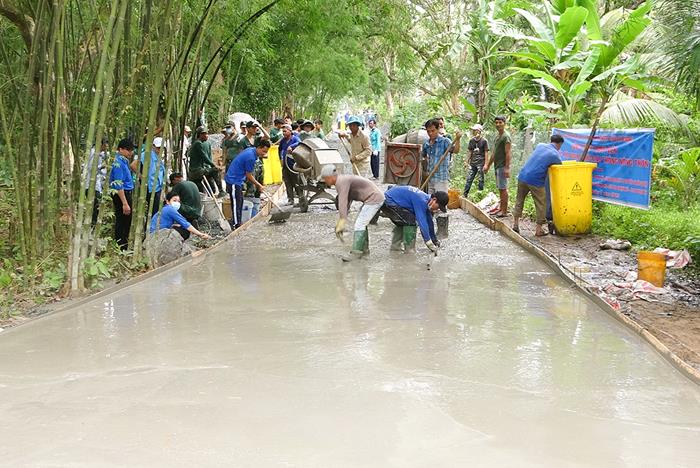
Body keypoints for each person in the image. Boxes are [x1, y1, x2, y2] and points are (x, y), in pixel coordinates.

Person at [319, 165, 385, 262]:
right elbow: (348, 200)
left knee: (360, 224)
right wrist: (343, 218)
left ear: (330, 177)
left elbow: (342, 201)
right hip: (371, 198)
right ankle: (364, 251)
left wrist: (341, 221)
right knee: (362, 223)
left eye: (325, 179)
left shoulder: (341, 182)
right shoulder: (343, 180)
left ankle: (356, 253)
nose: (324, 181)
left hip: (374, 198)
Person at [512, 134, 564, 236]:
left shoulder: (540, 145)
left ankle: (515, 224)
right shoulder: (555, 155)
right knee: (541, 204)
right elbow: (560, 168)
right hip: (535, 180)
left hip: (522, 176)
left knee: (519, 200)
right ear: (559, 144)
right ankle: (539, 229)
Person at [382, 185, 447, 254]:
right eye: (438, 207)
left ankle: (395, 248)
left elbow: (429, 222)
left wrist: (434, 240)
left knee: (403, 221)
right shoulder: (421, 200)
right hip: (389, 201)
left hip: (392, 199)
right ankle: (409, 251)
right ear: (434, 200)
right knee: (411, 222)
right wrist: (428, 242)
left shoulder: (426, 200)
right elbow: (422, 222)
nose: (438, 209)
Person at [224, 140, 269, 229]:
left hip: (238, 180)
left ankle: (237, 221)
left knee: (239, 201)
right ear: (259, 147)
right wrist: (259, 185)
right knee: (236, 203)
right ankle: (236, 225)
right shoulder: (251, 157)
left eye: (266, 152)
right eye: (263, 151)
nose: (264, 154)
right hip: (234, 180)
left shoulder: (251, 150)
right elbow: (249, 175)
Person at [131, 136, 166, 219]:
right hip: (151, 187)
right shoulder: (147, 154)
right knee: (153, 211)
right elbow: (133, 165)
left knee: (157, 210)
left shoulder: (159, 156)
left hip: (158, 187)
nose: (160, 149)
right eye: (158, 147)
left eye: (162, 148)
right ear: (153, 146)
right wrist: (142, 177)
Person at [484, 115, 511, 217]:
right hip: (497, 165)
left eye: (500, 122)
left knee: (503, 189)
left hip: (502, 166)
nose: (498, 124)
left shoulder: (506, 136)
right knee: (500, 188)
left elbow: (508, 153)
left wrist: (507, 168)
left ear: (504, 123)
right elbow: (494, 154)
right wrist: (488, 165)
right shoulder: (497, 137)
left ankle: (504, 211)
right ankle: (500, 208)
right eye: (496, 123)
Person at [110, 139, 135, 250]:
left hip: (126, 193)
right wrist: (125, 203)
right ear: (120, 149)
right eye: (128, 150)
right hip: (122, 194)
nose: (131, 152)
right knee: (122, 221)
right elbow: (118, 184)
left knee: (126, 221)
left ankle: (123, 244)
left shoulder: (124, 161)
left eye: (131, 150)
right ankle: (121, 246)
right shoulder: (118, 163)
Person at [188, 126, 223, 196]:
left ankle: (213, 193)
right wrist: (214, 165)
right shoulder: (198, 143)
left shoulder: (207, 143)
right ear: (199, 135)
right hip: (196, 170)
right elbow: (204, 157)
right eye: (204, 134)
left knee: (210, 176)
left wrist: (211, 166)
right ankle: (221, 190)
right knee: (215, 170)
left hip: (202, 169)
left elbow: (209, 157)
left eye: (207, 133)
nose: (206, 135)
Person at [422, 118, 455, 194]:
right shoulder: (426, 144)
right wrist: (425, 171)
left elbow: (455, 150)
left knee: (441, 202)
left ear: (438, 129)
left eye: (433, 131)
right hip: (430, 178)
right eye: (428, 131)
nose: (430, 133)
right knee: (431, 202)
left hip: (441, 179)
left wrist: (458, 139)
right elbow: (423, 156)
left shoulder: (445, 141)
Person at [83, 138, 108, 227]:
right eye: (105, 145)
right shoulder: (93, 153)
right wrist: (102, 166)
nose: (106, 147)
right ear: (101, 145)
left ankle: (93, 226)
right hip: (90, 184)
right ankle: (91, 226)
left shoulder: (101, 154)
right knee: (95, 206)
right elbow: (90, 168)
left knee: (96, 206)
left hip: (97, 184)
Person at [278, 124, 304, 206]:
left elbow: (300, 143)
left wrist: (291, 146)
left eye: (285, 131)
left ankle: (301, 200)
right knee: (287, 182)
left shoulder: (295, 139)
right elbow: (279, 149)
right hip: (285, 165)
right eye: (283, 131)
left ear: (290, 131)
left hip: (294, 165)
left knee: (296, 182)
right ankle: (290, 199)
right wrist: (280, 159)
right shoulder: (283, 141)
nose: (284, 133)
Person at [463, 124, 489, 198]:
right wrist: (466, 161)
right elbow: (470, 151)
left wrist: (486, 164)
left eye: (474, 130)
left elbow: (486, 152)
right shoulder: (471, 141)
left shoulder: (484, 141)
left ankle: (479, 194)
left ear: (478, 131)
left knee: (481, 179)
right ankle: (465, 194)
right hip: (473, 163)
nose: (473, 132)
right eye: (473, 130)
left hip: (481, 163)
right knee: (469, 178)